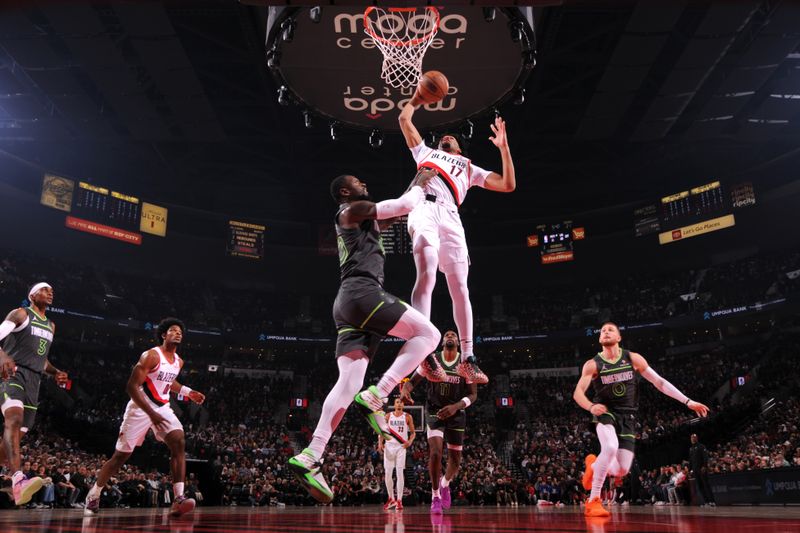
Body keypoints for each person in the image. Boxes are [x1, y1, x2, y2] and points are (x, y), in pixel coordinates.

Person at [288, 169, 443, 504]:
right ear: (345, 191)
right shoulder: (349, 211)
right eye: (359, 182)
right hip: (362, 294)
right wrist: (420, 179)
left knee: (347, 383)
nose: (366, 183)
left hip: (348, 307)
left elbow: (399, 211)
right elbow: (403, 203)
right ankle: (380, 393)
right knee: (429, 334)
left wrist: (417, 189)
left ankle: (311, 455)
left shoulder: (364, 221)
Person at [398, 100, 516, 384]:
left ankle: (468, 358)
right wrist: (417, 99)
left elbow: (507, 185)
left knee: (460, 287)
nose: (445, 138)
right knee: (426, 273)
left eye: (451, 138)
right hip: (424, 208)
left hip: (452, 216)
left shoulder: (469, 167)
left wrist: (503, 147)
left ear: (460, 149)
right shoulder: (425, 152)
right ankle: (425, 351)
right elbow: (404, 119)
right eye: (443, 138)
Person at [573, 322, 709, 517]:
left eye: (610, 329)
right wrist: (591, 406)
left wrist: (687, 401)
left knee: (621, 470)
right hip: (605, 412)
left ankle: (593, 465)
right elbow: (577, 393)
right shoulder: (593, 364)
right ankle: (593, 500)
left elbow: (659, 382)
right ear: (599, 339)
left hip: (628, 416)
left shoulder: (632, 358)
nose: (605, 332)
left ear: (619, 337)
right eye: (602, 330)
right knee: (610, 447)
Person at [84, 318, 206, 517]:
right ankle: (94, 493)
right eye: (173, 330)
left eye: (180, 332)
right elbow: (131, 387)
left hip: (162, 406)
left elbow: (168, 381)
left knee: (178, 441)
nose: (178, 333)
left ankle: (178, 499)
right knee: (120, 456)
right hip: (140, 408)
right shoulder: (150, 355)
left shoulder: (179, 361)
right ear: (163, 334)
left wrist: (188, 391)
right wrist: (151, 414)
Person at [0, 282, 69, 505]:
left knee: (14, 438)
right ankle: (18, 480)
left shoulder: (51, 325)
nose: (50, 292)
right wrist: (2, 357)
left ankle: (13, 479)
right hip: (13, 374)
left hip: (34, 381)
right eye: (45, 289)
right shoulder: (21, 314)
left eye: (52, 290)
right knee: (13, 418)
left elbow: (43, 359)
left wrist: (55, 371)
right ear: (32, 294)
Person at [400, 330, 478, 514]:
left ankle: (445, 484)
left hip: (456, 412)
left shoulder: (465, 363)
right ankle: (435, 496)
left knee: (455, 461)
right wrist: (405, 390)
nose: (450, 335)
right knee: (435, 453)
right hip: (435, 411)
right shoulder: (432, 359)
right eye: (447, 334)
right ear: (442, 341)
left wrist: (456, 407)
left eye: (453, 334)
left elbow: (473, 395)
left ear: (458, 343)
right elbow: (412, 381)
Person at [378, 397, 415, 511]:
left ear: (403, 405)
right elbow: (381, 431)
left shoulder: (407, 416)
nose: (399, 404)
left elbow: (413, 433)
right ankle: (391, 499)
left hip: (401, 447)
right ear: (394, 404)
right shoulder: (388, 416)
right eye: (397, 402)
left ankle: (399, 500)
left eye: (401, 402)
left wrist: (409, 441)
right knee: (388, 473)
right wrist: (380, 443)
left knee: (399, 473)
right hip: (389, 446)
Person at [689, 434, 714, 506]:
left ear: (697, 438)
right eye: (691, 438)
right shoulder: (691, 449)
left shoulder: (701, 446)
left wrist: (704, 466)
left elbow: (705, 457)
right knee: (700, 486)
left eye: (694, 437)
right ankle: (706, 502)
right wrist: (690, 470)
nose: (692, 439)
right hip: (695, 470)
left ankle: (712, 501)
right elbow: (691, 460)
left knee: (706, 485)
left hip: (702, 469)